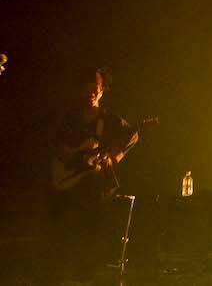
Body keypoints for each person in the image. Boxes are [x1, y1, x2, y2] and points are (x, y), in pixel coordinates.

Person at [50, 67, 138, 281]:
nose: (91, 93)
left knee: (91, 227)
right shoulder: (71, 117)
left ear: (102, 90)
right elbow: (57, 145)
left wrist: (114, 158)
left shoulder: (109, 119)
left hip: (92, 187)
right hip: (68, 181)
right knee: (61, 229)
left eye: (95, 88)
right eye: (87, 88)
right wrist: (73, 158)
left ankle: (86, 273)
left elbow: (133, 135)